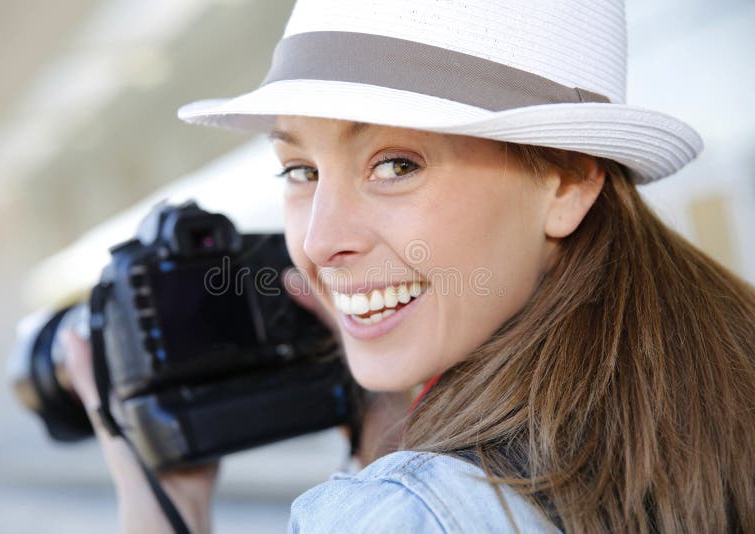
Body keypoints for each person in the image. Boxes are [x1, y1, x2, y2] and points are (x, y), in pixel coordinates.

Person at [64, 0, 755, 532]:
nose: (320, 241)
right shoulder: (714, 388)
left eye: (395, 165)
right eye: (300, 169)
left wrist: (162, 509)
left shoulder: (407, 512)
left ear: (568, 180)